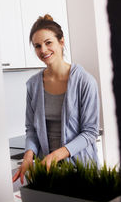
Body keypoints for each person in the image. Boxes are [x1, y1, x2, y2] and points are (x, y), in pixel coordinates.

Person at [12, 14, 100, 184]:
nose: (43, 50)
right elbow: (31, 129)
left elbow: (90, 132)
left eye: (48, 42)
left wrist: (56, 155)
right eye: (37, 46)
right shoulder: (33, 85)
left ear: (61, 42)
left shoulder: (85, 82)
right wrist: (29, 154)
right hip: (48, 170)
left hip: (81, 169)